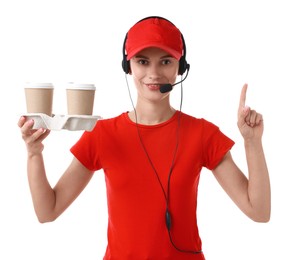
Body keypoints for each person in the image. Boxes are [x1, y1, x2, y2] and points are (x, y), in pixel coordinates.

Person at [18, 16, 271, 260]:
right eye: (142, 61)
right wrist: (34, 153)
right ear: (128, 66)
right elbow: (47, 211)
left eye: (165, 62)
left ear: (180, 67)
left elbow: (259, 211)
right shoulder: (102, 134)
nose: (154, 73)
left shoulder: (202, 134)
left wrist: (252, 143)